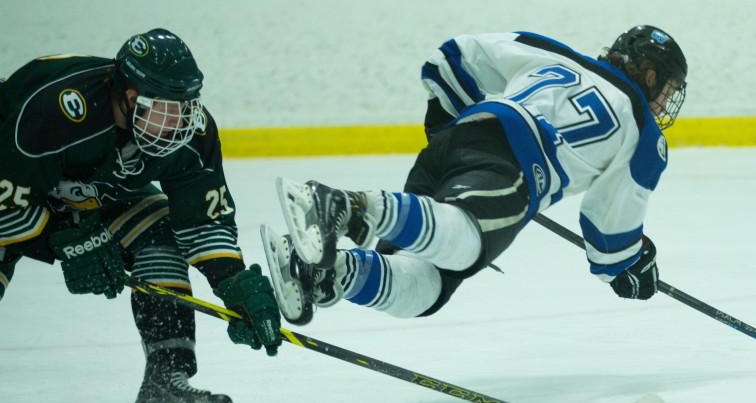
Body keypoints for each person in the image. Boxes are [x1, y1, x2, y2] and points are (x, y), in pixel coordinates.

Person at [261, 25, 686, 325]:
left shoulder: (552, 52)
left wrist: (449, 122)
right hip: (516, 163)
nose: (665, 104)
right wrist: (629, 266)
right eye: (667, 91)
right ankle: (347, 206)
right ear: (650, 77)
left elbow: (451, 57)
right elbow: (608, 228)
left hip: (460, 140)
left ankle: (327, 273)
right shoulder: (643, 133)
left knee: (425, 287)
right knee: (464, 245)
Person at [0, 28, 282, 403]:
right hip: (14, 186)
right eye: (170, 110)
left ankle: (165, 384)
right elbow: (7, 206)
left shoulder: (191, 133)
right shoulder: (55, 112)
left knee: (160, 234)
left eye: (188, 107)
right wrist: (65, 238)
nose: (183, 123)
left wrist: (232, 282)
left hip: (94, 193)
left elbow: (203, 220)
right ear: (131, 98)